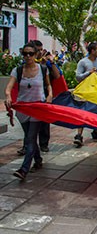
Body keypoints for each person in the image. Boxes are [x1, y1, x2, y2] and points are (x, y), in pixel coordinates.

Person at [4, 43, 53, 180]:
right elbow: (9, 87)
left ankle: (24, 169)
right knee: (29, 136)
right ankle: (38, 160)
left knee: (30, 138)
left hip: (38, 108)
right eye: (25, 54)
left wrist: (49, 95)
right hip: (23, 109)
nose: (27, 56)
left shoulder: (43, 69)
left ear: (36, 54)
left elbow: (48, 85)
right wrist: (8, 96)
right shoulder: (17, 70)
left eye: (30, 53)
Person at [74, 42, 97, 147]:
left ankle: (95, 129)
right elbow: (78, 77)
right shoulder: (83, 62)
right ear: (92, 51)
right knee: (83, 112)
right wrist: (89, 73)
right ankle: (79, 135)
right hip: (86, 91)